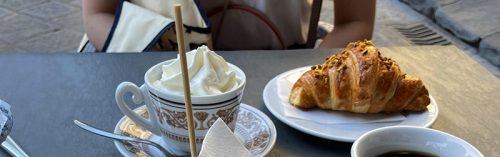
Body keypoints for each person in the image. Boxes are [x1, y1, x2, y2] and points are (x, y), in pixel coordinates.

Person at [81, 0, 376, 52]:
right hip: (149, 64)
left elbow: (355, 21)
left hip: (278, 76)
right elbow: (97, 14)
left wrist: (311, 79)